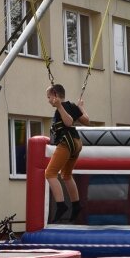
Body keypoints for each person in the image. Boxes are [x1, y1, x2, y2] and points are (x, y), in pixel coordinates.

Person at [46, 84, 89, 223]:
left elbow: (69, 122)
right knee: (66, 174)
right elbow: (86, 121)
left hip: (66, 142)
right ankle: (76, 205)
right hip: (76, 143)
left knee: (50, 173)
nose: (48, 100)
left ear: (55, 96)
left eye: (49, 97)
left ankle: (61, 205)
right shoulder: (72, 106)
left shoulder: (62, 109)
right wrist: (81, 108)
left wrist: (59, 107)